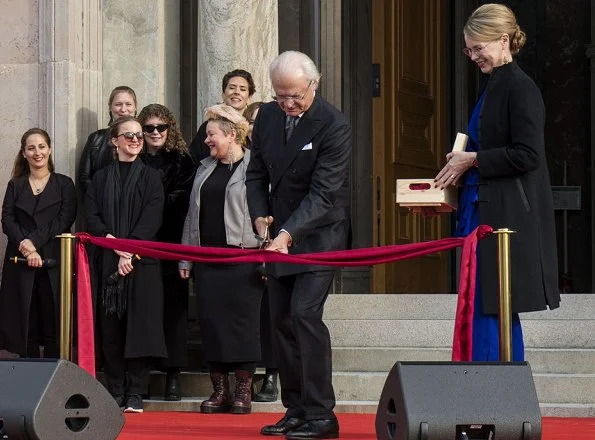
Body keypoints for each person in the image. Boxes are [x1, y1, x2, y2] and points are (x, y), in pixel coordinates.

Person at [434, 4, 560, 361]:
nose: (473, 56)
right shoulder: (494, 86)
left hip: (504, 219)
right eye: (468, 49)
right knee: (480, 306)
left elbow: (528, 155)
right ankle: (483, 397)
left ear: (503, 40)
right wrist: (445, 197)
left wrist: (472, 159)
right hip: (481, 211)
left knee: (491, 310)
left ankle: (495, 398)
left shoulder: (520, 87)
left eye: (478, 48)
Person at [246, 51, 351, 439]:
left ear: (314, 85)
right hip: (277, 236)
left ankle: (323, 415)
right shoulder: (270, 117)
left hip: (319, 235)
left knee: (304, 315)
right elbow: (255, 173)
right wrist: (259, 214)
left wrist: (288, 235)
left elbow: (325, 194)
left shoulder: (334, 124)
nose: (288, 105)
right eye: (280, 96)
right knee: (280, 322)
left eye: (295, 96)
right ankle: (295, 410)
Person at [179, 104, 263, 415]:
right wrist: (185, 260)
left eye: (211, 134)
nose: (206, 140)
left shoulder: (256, 168)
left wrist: (269, 256)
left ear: (230, 135)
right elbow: (192, 216)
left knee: (243, 326)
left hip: (245, 260)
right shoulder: (203, 168)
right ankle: (220, 391)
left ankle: (243, 390)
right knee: (211, 324)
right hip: (207, 261)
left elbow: (268, 214)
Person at [85, 115, 166, 413]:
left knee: (140, 328)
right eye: (128, 135)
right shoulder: (99, 178)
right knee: (111, 329)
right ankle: (116, 390)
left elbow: (152, 218)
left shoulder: (151, 177)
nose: (135, 140)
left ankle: (136, 393)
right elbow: (91, 216)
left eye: (139, 136)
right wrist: (116, 248)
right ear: (114, 140)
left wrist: (128, 251)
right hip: (108, 259)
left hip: (140, 261)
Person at [0, 128, 77, 359]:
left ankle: (55, 375)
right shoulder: (16, 185)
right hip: (20, 260)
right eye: (31, 148)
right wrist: (26, 245)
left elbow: (65, 218)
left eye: (41, 146)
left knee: (54, 319)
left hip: (53, 260)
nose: (37, 152)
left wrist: (33, 241)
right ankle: (28, 372)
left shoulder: (64, 184)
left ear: (50, 149)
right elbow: (7, 219)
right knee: (26, 323)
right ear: (24, 153)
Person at [137, 104, 195, 401]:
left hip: (171, 244)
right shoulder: (134, 159)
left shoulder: (183, 161)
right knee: (144, 311)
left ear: (170, 128)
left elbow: (184, 203)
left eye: (161, 127)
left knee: (174, 311)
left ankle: (173, 375)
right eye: (149, 128)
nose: (156, 133)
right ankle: (143, 374)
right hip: (140, 246)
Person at [242, 100, 279, 403]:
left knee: (272, 316)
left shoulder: (279, 154)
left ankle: (272, 374)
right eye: (251, 123)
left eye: (260, 121)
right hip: (243, 247)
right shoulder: (240, 157)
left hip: (276, 244)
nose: (256, 128)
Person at [78, 86, 138, 194]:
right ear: (110, 107)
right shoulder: (96, 138)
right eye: (118, 104)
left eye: (128, 104)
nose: (123, 109)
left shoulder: (144, 137)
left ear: (135, 107)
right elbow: (84, 178)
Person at [188, 70, 255, 164]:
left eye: (243, 89)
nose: (236, 92)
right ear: (223, 94)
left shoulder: (254, 126)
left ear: (249, 97)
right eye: (232, 88)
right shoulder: (208, 127)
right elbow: (195, 161)